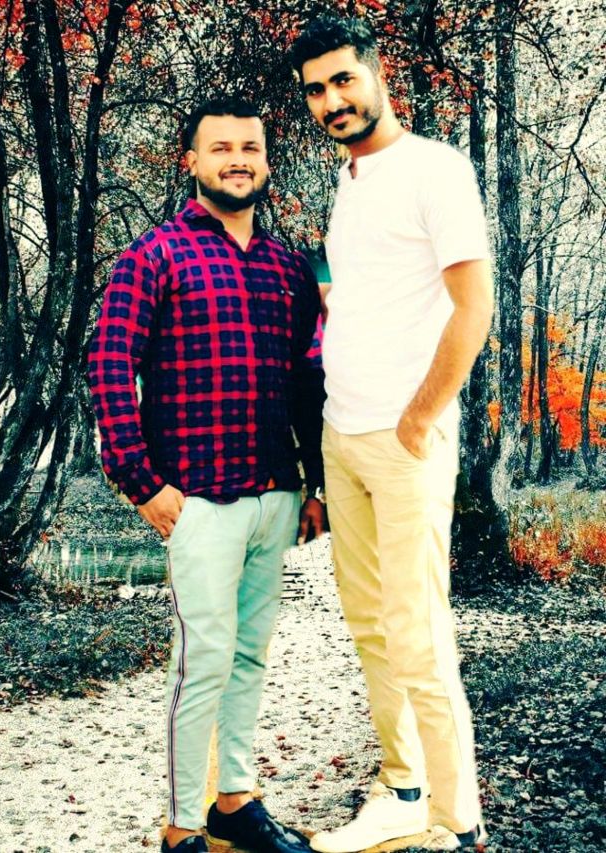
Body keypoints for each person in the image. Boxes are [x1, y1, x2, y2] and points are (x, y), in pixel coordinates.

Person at [88, 97, 325, 853]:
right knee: (204, 661)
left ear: (266, 160)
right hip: (195, 498)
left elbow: (309, 379)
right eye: (221, 148)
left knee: (250, 654)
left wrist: (315, 484)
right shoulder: (153, 256)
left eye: (250, 148)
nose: (238, 160)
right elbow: (109, 366)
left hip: (275, 492)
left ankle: (235, 801)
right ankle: (182, 826)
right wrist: (141, 482)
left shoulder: (288, 267)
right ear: (191, 161)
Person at [291, 16, 494, 853]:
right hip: (343, 436)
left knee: (418, 630)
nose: (332, 100)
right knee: (372, 625)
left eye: (343, 79)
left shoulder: (434, 169)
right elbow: (361, 294)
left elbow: (474, 305)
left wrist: (420, 416)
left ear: (377, 72)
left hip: (404, 442)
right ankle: (403, 790)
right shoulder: (348, 182)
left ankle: (457, 820)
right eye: (316, 90)